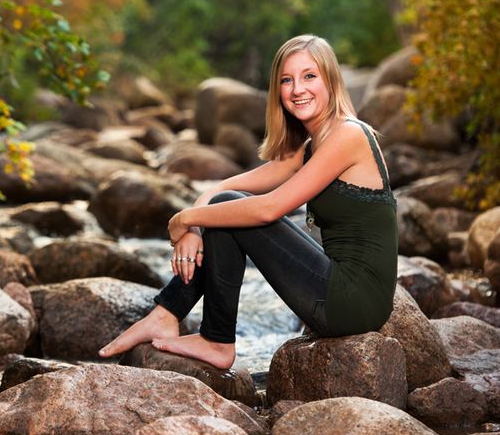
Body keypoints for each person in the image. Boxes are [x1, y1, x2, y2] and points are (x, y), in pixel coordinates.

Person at [98, 34, 398, 369]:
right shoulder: (313, 145)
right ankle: (167, 314)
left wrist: (182, 220)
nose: (298, 89)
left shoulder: (349, 135)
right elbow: (225, 187)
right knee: (227, 209)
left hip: (353, 302)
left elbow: (267, 209)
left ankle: (214, 338)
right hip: (342, 290)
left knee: (234, 211)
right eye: (287, 80)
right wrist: (193, 225)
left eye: (309, 76)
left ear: (331, 80)